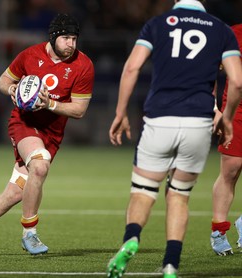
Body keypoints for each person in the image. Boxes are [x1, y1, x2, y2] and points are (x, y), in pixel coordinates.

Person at [106, 0, 242, 277]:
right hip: (198, 123)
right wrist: (226, 116)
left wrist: (120, 112)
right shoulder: (221, 29)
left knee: (143, 191)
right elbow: (237, 81)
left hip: (160, 119)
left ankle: (132, 238)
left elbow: (131, 68)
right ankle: (171, 264)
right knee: (179, 196)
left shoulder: (158, 23)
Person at [0, 13, 94, 257]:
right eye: (66, 38)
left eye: (74, 39)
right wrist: (12, 88)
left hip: (53, 134)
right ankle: (29, 233)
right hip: (24, 124)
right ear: (54, 37)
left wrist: (49, 104)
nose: (71, 44)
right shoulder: (30, 55)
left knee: (15, 193)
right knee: (40, 165)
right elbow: (3, 81)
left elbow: (79, 110)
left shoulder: (84, 65)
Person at [210, 23, 242, 256]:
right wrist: (215, 109)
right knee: (231, 169)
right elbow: (208, 69)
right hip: (237, 111)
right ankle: (219, 231)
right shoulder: (232, 33)